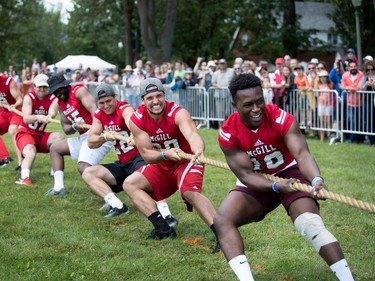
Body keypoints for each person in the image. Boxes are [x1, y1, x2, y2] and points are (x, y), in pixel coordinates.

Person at [215, 73, 355, 281]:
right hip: (258, 180)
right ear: (235, 104)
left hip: (290, 172)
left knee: (310, 223)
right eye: (248, 104)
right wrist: (275, 187)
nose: (256, 109)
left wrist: (316, 179)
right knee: (223, 220)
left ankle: (347, 279)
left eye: (260, 101)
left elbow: (302, 154)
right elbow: (245, 174)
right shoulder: (228, 132)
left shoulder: (280, 117)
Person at [123, 78, 220, 252]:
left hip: (186, 160)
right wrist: (164, 154)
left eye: (158, 96)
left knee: (190, 193)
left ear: (164, 95)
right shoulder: (137, 120)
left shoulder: (178, 113)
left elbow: (193, 135)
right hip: (162, 162)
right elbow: (146, 154)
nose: (155, 101)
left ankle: (223, 234)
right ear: (143, 101)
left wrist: (198, 150)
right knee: (130, 184)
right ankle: (163, 228)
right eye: (150, 98)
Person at [82, 84, 177, 223]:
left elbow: (130, 120)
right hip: (123, 163)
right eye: (101, 103)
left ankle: (167, 215)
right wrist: (105, 137)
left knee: (151, 177)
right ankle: (118, 206)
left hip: (139, 158)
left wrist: (133, 134)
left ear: (115, 98)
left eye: (108, 101)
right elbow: (91, 141)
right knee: (88, 173)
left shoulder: (125, 108)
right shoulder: (98, 114)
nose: (106, 105)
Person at [46, 73, 113, 196]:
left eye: (59, 90)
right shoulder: (60, 103)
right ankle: (58, 188)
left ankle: (112, 197)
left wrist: (94, 132)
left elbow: (96, 112)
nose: (58, 94)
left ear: (65, 85)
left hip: (99, 134)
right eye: (55, 92)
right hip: (84, 136)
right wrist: (74, 126)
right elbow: (66, 128)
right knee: (55, 148)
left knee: (83, 167)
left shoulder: (79, 91)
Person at [15, 74, 64, 185]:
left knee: (59, 137)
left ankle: (54, 172)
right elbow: (26, 118)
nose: (42, 89)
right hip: (25, 133)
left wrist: (49, 116)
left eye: (45, 87)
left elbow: (53, 110)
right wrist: (37, 117)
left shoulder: (52, 98)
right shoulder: (29, 97)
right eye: (40, 86)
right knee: (31, 152)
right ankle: (25, 178)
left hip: (40, 135)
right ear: (34, 86)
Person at [0, 74, 24, 169]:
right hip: (4, 112)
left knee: (13, 130)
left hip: (16, 110)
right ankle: (5, 158)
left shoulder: (8, 81)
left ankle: (21, 164)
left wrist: (14, 106)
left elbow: (20, 100)